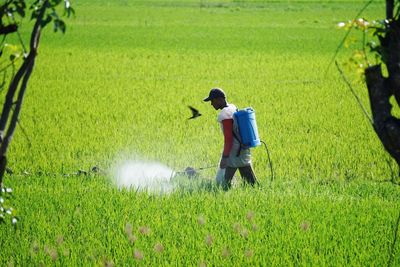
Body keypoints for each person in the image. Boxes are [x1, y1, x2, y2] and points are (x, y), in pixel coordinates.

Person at [203, 87, 258, 189]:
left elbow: (229, 139)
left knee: (222, 184)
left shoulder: (225, 114)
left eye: (212, 100)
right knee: (251, 183)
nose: (211, 104)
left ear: (220, 99)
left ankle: (221, 196)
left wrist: (225, 158)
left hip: (234, 152)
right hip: (243, 148)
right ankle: (258, 193)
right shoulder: (232, 107)